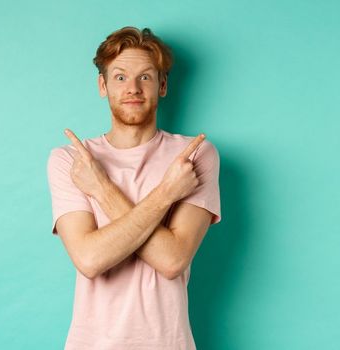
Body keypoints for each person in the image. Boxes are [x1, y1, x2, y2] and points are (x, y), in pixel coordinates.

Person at [46, 26, 222, 349]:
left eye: (145, 77)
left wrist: (100, 189)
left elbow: (172, 259)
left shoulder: (194, 157)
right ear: (103, 85)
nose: (133, 88)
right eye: (120, 77)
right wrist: (167, 193)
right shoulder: (71, 161)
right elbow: (90, 258)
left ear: (163, 85)